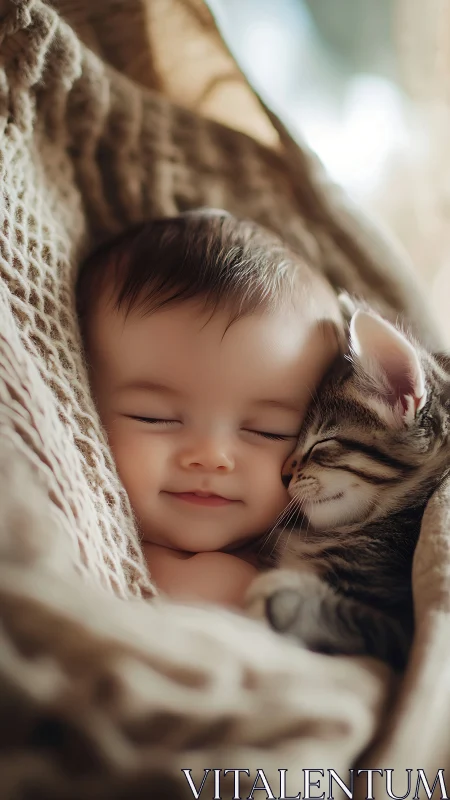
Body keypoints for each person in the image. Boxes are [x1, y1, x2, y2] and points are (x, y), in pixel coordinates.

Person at [76, 209, 343, 609]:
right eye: (155, 418)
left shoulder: (334, 564)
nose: (211, 457)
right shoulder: (82, 554)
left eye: (269, 430)